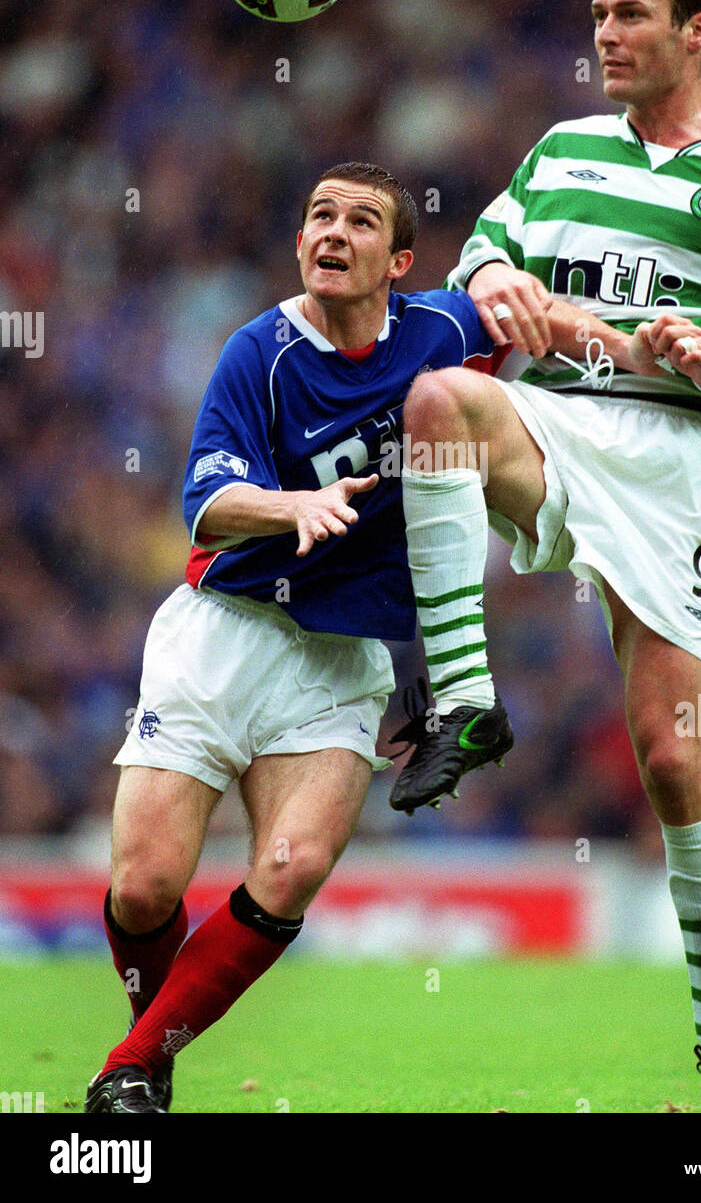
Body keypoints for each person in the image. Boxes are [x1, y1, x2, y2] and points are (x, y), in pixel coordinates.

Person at [387, 0, 701, 1113]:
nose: (603, 32)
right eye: (596, 11)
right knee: (436, 397)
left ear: (696, 29)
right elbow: (489, 247)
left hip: (677, 460)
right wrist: (491, 280)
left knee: (672, 754)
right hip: (558, 419)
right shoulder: (560, 149)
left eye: (629, 13)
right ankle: (462, 696)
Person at [84, 161, 515, 1114]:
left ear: (399, 260)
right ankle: (147, 1059)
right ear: (298, 241)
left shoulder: (442, 328)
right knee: (148, 886)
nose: (332, 232)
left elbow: (515, 309)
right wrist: (295, 505)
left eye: (359, 221)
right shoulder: (260, 351)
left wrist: (565, 315)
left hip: (338, 661)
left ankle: (128, 1074)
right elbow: (204, 504)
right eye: (318, 214)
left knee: (293, 868)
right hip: (222, 634)